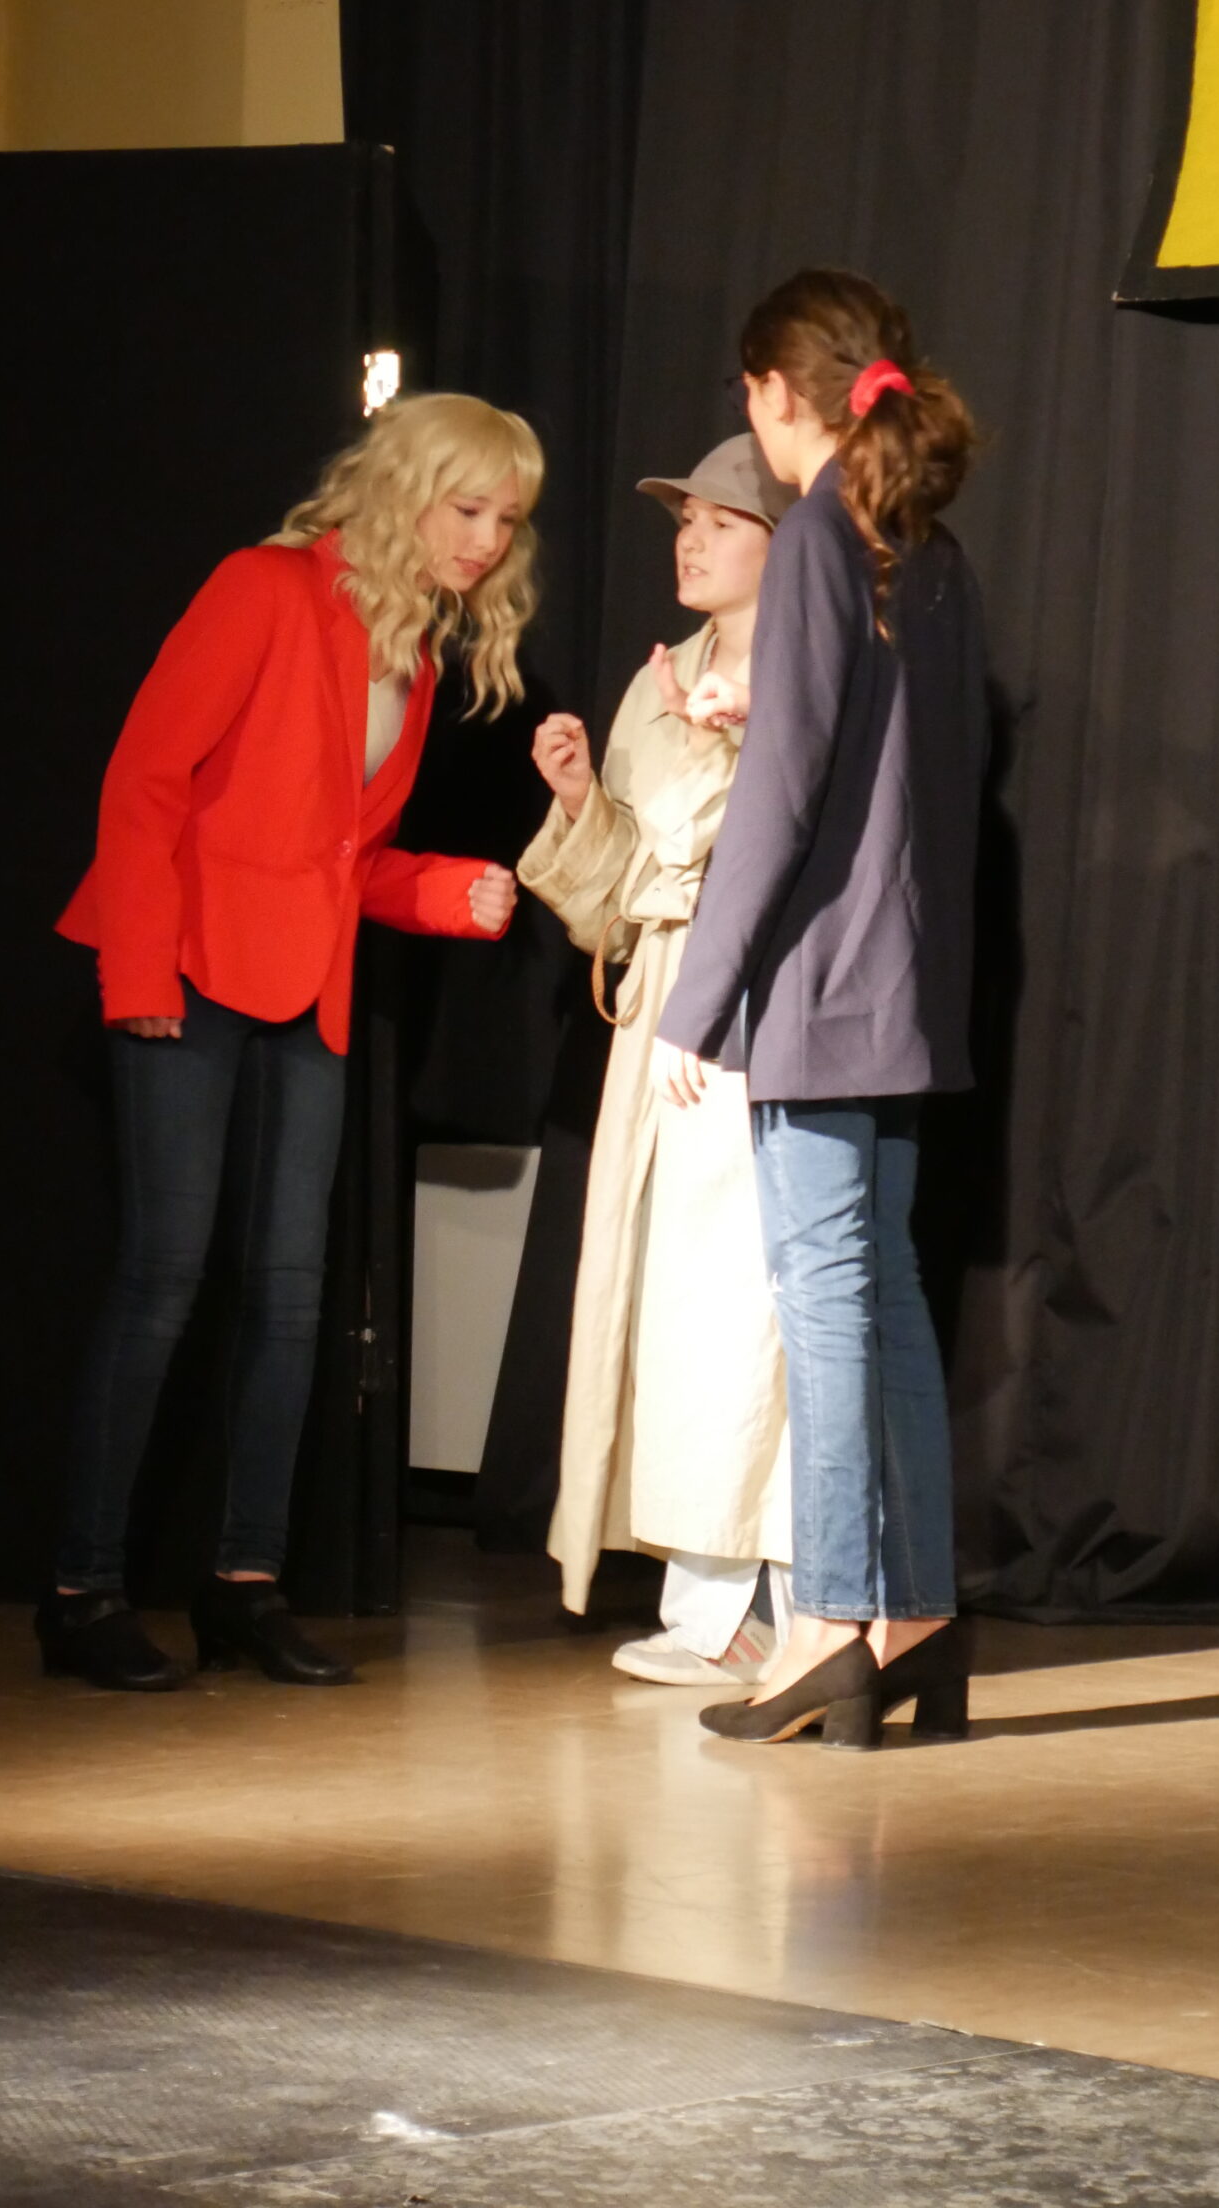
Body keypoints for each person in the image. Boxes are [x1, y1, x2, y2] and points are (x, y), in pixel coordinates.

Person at [41, 393, 542, 1692]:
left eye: (506, 520)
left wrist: (448, 893)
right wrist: (137, 971)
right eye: (468, 508)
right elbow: (145, 781)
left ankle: (243, 1585)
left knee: (290, 1291)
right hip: (188, 970)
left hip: (303, 988)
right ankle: (82, 1590)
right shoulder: (263, 588)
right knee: (164, 1275)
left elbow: (341, 860)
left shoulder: (415, 654)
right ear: (405, 488)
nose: (487, 541)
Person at [653, 269, 986, 1749]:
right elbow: (917, 773)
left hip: (818, 985)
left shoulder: (814, 542)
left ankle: (832, 1624)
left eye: (749, 389)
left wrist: (696, 999)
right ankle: (916, 1617)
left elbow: (783, 799)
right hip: (904, 986)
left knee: (829, 1301)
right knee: (884, 1294)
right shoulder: (928, 545)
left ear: (775, 391)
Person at [521, 434, 797, 1685]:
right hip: (658, 1010)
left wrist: (737, 738)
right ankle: (705, 1599)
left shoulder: (812, 672)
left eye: (722, 523)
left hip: (752, 1008)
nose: (691, 541)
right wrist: (585, 802)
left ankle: (755, 1605)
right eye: (685, 522)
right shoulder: (657, 679)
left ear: (781, 544)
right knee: (665, 1299)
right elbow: (620, 897)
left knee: (740, 1298)